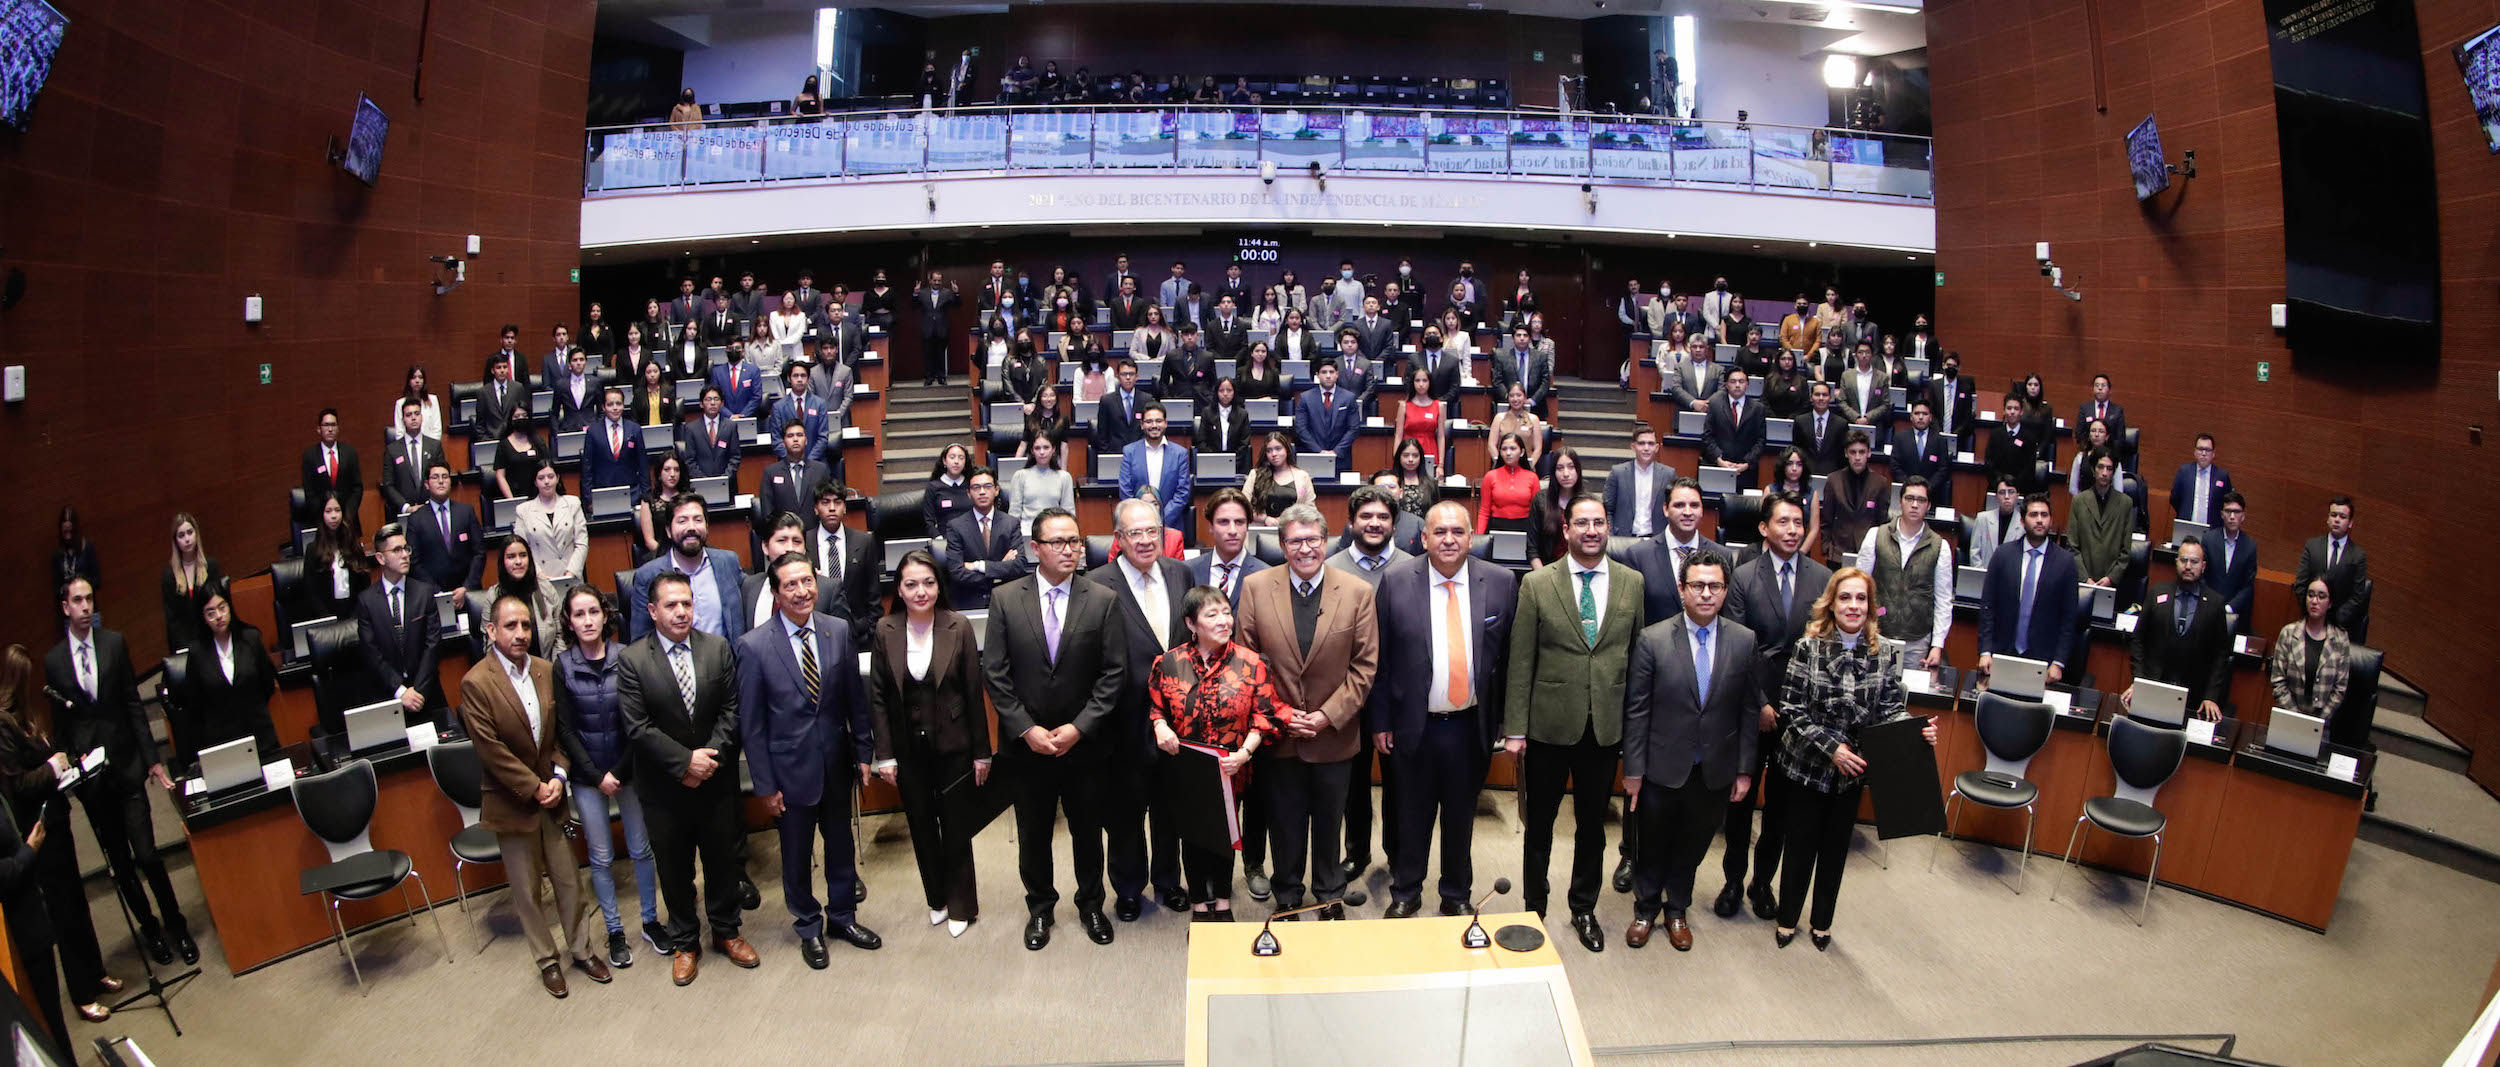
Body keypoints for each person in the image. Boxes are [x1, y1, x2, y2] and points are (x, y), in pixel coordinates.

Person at [983, 509, 1129, 951]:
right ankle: (1041, 908)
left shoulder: (1101, 598)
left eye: (1075, 542)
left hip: (1084, 747)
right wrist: (1026, 729)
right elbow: (995, 673)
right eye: (1059, 542)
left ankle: (1090, 905)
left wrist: (1079, 728)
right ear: (1036, 549)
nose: (1070, 549)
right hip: (1027, 749)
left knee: (1088, 831)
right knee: (1034, 834)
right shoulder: (1006, 599)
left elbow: (1113, 674)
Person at [1768, 568, 1932, 951]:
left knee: (1835, 850)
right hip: (1808, 768)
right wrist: (1832, 749)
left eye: (1861, 599)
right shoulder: (1808, 647)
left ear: (1870, 606)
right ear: (1831, 603)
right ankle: (1788, 918)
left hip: (1852, 775)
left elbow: (1891, 708)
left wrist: (1915, 729)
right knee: (1800, 847)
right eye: (1846, 598)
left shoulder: (1885, 651)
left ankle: (1822, 922)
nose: (1853, 606)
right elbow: (1791, 708)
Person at [1503, 495, 1640, 950]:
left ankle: (1583, 908)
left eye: (1599, 522)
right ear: (1566, 529)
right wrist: (1515, 729)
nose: (1591, 530)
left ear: (1608, 528)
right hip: (1547, 726)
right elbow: (1520, 661)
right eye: (1581, 522)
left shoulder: (1631, 583)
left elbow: (1637, 660)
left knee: (1592, 828)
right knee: (1539, 825)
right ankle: (1534, 909)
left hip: (1604, 727)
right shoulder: (1538, 584)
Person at [1369, 500, 1518, 917]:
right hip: (1413, 723)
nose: (1449, 539)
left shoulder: (1502, 582)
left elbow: (1509, 660)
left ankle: (1455, 893)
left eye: (1457, 532)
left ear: (1472, 537)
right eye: (1440, 532)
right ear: (1423, 538)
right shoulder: (1397, 581)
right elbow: (1380, 658)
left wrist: (1507, 723)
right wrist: (1380, 719)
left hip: (1471, 725)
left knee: (1460, 816)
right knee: (1411, 814)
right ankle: (1406, 891)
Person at [1231, 505, 1377, 919]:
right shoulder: (1256, 587)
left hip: (1334, 734)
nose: (1305, 549)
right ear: (1282, 545)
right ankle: (1288, 896)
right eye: (1295, 541)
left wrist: (1327, 716)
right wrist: (1281, 714)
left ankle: (1330, 893)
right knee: (1285, 822)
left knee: (1330, 824)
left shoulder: (1356, 591)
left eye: (1313, 539)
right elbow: (1246, 665)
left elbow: (1364, 668)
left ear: (1327, 542)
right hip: (1280, 735)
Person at [462, 594, 611, 997]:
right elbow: (490, 750)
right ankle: (547, 960)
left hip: (553, 797)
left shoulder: (546, 670)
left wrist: (559, 778)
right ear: (491, 631)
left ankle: (581, 949)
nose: (521, 633)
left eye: (526, 625)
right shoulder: (476, 682)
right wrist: (535, 787)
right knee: (527, 891)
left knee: (569, 881)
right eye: (510, 626)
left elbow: (559, 735)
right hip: (513, 803)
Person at [739, 550, 881, 969]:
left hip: (837, 765)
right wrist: (765, 785)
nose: (802, 591)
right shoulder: (754, 646)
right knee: (796, 856)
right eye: (791, 585)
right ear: (776, 593)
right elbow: (752, 725)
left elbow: (855, 699)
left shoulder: (837, 629)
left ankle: (842, 918)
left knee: (841, 849)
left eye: (807, 581)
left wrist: (864, 752)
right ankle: (808, 926)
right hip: (789, 773)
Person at [1618, 547, 1763, 953]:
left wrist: (1745, 770)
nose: (1706, 594)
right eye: (1697, 585)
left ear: (1725, 590)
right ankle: (1646, 909)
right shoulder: (1653, 638)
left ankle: (1676, 908)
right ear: (1682, 589)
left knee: (1693, 843)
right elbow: (1637, 709)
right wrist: (1633, 768)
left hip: (1715, 768)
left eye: (1714, 585)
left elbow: (1749, 710)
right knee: (1654, 841)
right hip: (1661, 765)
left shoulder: (1743, 640)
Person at [48, 577, 195, 965]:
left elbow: (133, 705)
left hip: (127, 767)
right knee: (122, 866)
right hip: (94, 783)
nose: (84, 607)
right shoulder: (55, 662)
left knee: (147, 855)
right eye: (77, 601)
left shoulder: (113, 643)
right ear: (65, 607)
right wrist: (71, 771)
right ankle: (151, 932)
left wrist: (151, 758)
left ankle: (177, 926)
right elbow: (61, 728)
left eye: (89, 600)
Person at [617, 571, 751, 986]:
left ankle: (727, 931)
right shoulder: (633, 659)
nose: (681, 611)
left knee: (722, 862)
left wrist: (707, 760)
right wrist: (684, 764)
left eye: (687, 603)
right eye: (671, 605)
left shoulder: (717, 648)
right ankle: (686, 942)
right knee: (675, 869)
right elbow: (638, 728)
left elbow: (732, 711)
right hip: (664, 789)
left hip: (715, 779)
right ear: (652, 611)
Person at [1718, 492, 1831, 919]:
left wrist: (1793, 708)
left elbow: (1822, 647)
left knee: (1781, 808)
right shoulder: (1744, 576)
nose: (1792, 530)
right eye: (1782, 522)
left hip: (1800, 714)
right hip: (1752, 708)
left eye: (1798, 523)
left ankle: (1762, 883)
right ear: (1764, 529)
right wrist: (1762, 703)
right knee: (1740, 803)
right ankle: (1731, 881)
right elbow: (1738, 648)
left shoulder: (1822, 578)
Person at [1145, 583, 1282, 922]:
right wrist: (1160, 727)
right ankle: (1198, 903)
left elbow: (1266, 716)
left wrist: (1245, 753)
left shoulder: (1251, 663)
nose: (1224, 621)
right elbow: (1155, 707)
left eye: (1226, 612)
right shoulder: (1169, 663)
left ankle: (1222, 900)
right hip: (1185, 767)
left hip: (1229, 767)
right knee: (1191, 834)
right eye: (1212, 615)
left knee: (1224, 834)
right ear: (1191, 624)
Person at [868, 551, 988, 937]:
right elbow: (880, 698)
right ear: (899, 590)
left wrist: (981, 752)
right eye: (911, 584)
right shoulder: (885, 629)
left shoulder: (959, 626)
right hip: (907, 751)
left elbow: (973, 693)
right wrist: (884, 753)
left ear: (939, 585)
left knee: (955, 828)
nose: (921, 591)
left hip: (954, 746)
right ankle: (936, 898)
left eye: (928, 583)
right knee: (921, 827)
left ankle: (962, 905)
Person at [0, 645, 120, 1031]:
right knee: (63, 911)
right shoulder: (2, 725)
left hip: (58, 820)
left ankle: (95, 971)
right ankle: (82, 993)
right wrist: (53, 767)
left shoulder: (26, 718)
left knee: (77, 902)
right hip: (38, 830)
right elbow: (18, 785)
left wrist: (64, 763)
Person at [1090, 500, 1196, 921]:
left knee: (1171, 809)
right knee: (1125, 812)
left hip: (1176, 721)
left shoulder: (1180, 573)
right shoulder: (1097, 584)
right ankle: (1129, 888)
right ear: (1118, 539)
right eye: (1135, 533)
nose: (1146, 540)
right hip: (1124, 721)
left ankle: (1169, 880)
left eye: (1153, 530)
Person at [552, 585, 662, 970]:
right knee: (599, 858)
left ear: (605, 616)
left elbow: (639, 721)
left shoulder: (627, 657)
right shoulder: (562, 666)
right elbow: (564, 731)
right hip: (587, 778)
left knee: (640, 849)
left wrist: (619, 770)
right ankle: (615, 930)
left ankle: (650, 920)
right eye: (578, 614)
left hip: (628, 769)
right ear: (569, 621)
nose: (587, 620)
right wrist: (598, 776)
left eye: (593, 612)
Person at [173, 580, 280, 769]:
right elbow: (195, 702)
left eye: (222, 608)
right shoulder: (197, 652)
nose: (218, 616)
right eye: (210, 612)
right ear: (204, 618)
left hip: (261, 736)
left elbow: (267, 685)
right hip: (221, 742)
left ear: (230, 607)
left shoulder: (251, 638)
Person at [1977, 494, 2081, 685]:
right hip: (2001, 654)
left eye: (2044, 515)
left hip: (2044, 661)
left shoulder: (2066, 563)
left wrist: (2058, 662)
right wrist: (1985, 651)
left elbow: (2069, 619)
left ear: (2051, 520)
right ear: (2023, 521)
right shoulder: (2003, 555)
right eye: (2034, 515)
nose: (2040, 520)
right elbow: (1988, 607)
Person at [2126, 537, 2232, 722]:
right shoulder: (2157, 593)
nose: (2188, 566)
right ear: (2176, 562)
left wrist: (2211, 696)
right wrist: (2139, 681)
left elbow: (2220, 654)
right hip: (2153, 686)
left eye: (2194, 561)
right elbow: (2138, 640)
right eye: (2184, 560)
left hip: (2195, 698)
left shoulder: (2215, 604)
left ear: (2203, 566)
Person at [1855, 477, 1952, 667]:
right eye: (1909, 498)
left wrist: (1937, 645)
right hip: (1876, 633)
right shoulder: (1876, 535)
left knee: (1907, 694)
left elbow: (1943, 600)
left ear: (1928, 505)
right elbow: (1858, 587)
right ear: (1900, 502)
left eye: (1921, 500)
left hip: (1917, 642)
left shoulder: (1940, 546)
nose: (1915, 505)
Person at [356, 522, 446, 723]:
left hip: (427, 695)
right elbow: (371, 653)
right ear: (380, 558)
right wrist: (400, 691)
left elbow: (433, 645)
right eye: (397, 550)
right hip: (389, 697)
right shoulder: (367, 601)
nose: (405, 554)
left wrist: (418, 691)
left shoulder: (424, 592)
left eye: (406, 548)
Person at [627, 494, 745, 642]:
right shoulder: (647, 575)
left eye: (698, 520)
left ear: (707, 527)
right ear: (669, 531)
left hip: (728, 662)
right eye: (682, 521)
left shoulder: (728, 563)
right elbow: (641, 640)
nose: (691, 527)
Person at [941, 466, 1028, 610]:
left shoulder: (1011, 523)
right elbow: (956, 572)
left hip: (1007, 600)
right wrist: (999, 569)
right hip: (969, 600)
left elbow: (1019, 566)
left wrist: (978, 566)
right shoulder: (956, 526)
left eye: (987, 486)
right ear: (969, 493)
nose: (982, 492)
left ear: (996, 490)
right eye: (976, 487)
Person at [2269, 578, 2352, 724]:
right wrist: (2296, 719)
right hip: (2287, 720)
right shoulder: (2288, 633)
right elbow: (2278, 681)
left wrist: (2317, 723)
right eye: (2311, 595)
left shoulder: (2340, 639)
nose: (2314, 601)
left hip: (2321, 725)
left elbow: (2340, 689)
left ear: (2330, 603)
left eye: (2321, 596)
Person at [407, 460, 486, 610]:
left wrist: (466, 587)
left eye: (445, 476)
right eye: (435, 477)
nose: (441, 481)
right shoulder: (416, 519)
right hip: (433, 597)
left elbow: (479, 553)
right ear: (426, 484)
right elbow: (414, 562)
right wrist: (438, 593)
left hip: (468, 594)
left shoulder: (466, 512)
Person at [478, 534, 564, 657]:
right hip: (508, 673)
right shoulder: (493, 596)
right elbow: (490, 646)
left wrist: (555, 670)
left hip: (546, 669)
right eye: (511, 557)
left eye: (523, 555)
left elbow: (560, 635)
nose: (518, 561)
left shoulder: (546, 589)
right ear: (503, 562)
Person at [2294, 496, 2370, 635]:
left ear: (2350, 522)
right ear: (2328, 518)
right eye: (2333, 515)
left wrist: (2334, 620)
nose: (2337, 520)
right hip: (2310, 620)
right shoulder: (2312, 546)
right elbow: (2300, 584)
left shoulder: (2358, 555)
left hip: (2339, 626)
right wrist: (2313, 612)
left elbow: (2357, 596)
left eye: (2342, 516)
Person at [1817, 431, 1891, 570]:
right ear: (1846, 453)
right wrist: (1826, 547)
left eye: (1862, 452)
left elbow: (1882, 523)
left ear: (1869, 453)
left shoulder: (1880, 483)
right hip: (1838, 553)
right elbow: (1827, 520)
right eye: (1853, 452)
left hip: (1868, 554)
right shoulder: (1834, 480)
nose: (1857, 457)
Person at [1119, 403, 1193, 532]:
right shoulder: (1129, 452)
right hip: (1137, 525)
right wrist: (1142, 518)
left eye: (1158, 421)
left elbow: (1182, 493)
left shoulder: (1180, 454)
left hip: (1170, 526)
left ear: (1166, 423)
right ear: (1142, 425)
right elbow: (1126, 490)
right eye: (1149, 421)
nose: (1154, 425)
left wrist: (1161, 518)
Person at [2069, 448, 2137, 589]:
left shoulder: (2125, 503)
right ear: (2093, 470)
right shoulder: (2079, 501)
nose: (2104, 473)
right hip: (2082, 580)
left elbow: (2126, 551)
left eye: (2109, 468)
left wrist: (2111, 578)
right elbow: (2072, 546)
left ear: (2113, 472)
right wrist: (2085, 578)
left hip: (2110, 582)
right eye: (2100, 467)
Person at [1188, 489, 1269, 606]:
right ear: (1211, 526)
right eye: (1224, 522)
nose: (1232, 531)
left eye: (1239, 522)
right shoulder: (1188, 571)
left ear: (1247, 526)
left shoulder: (1265, 576)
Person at [512, 459, 589, 582]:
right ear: (535, 482)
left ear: (557, 478)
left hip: (571, 575)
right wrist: (540, 575)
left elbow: (581, 543)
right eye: (541, 478)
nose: (546, 482)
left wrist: (571, 572)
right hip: (539, 579)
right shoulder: (523, 510)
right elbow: (522, 550)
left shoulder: (573, 503)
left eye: (550, 476)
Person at [303, 492, 371, 627]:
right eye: (328, 511)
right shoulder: (313, 550)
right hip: (326, 619)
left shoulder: (354, 545)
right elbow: (311, 591)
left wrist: (356, 615)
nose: (333, 516)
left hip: (355, 616)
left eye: (337, 510)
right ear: (322, 515)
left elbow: (364, 585)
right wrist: (327, 619)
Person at [160, 513, 223, 657]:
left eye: (190, 532)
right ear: (175, 541)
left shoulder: (210, 567)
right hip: (185, 646)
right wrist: (184, 649)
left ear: (196, 534)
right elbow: (173, 621)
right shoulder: (169, 577)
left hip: (211, 639)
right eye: (181, 535)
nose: (187, 539)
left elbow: (218, 605)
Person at [1605, 427, 1678, 540]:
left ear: (1657, 447)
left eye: (1650, 444)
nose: (1646, 448)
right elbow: (1607, 509)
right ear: (1633, 447)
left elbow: (1675, 508)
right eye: (1641, 443)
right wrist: (1612, 537)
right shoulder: (1618, 473)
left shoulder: (1669, 474)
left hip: (1656, 540)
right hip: (1623, 539)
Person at [1701, 367, 1765, 491]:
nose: (1737, 385)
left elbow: (1761, 441)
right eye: (1733, 381)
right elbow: (1707, 436)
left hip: (1746, 471)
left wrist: (1746, 463)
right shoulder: (1715, 404)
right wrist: (1720, 460)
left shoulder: (1758, 408)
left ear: (1747, 384)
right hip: (1719, 467)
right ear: (1726, 385)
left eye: (1741, 381)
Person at [379, 399, 447, 516]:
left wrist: (430, 504)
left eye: (417, 413)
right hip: (404, 512)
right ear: (403, 420)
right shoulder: (392, 450)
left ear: (422, 417)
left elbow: (441, 478)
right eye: (408, 415)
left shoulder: (434, 446)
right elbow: (388, 485)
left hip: (432, 511)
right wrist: (406, 507)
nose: (413, 418)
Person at [583, 389, 650, 502]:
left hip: (632, 493)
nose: (615, 408)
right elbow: (587, 469)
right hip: (603, 494)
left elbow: (642, 465)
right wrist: (589, 499)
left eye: (618, 403)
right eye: (610, 404)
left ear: (623, 405)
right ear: (603, 407)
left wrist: (646, 495)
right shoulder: (593, 432)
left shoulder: (635, 429)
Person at [2205, 492, 2260, 629]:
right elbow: (2202, 577)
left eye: (2236, 512)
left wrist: (2229, 608)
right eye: (2228, 511)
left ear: (2243, 516)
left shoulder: (2250, 546)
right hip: (2207, 608)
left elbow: (2248, 586)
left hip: (2235, 613)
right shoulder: (2208, 540)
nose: (2232, 517)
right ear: (2221, 514)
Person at [1889, 398, 1954, 512]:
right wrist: (1909, 487)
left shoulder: (1940, 440)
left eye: (1924, 413)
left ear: (1930, 417)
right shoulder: (1900, 438)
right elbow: (1895, 466)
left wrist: (1927, 488)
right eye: (1917, 413)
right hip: (1906, 495)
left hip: (1931, 497)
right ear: (1911, 416)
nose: (1920, 417)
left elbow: (1943, 469)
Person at [1292, 360, 1359, 465]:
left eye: (1331, 372)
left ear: (1337, 374)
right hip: (1313, 455)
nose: (1328, 376)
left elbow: (1353, 428)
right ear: (1317, 375)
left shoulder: (1349, 398)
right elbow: (1301, 429)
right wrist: (1319, 451)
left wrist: (1336, 451)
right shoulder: (1305, 398)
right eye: (1324, 372)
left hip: (1341, 457)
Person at [1528, 448, 1585, 566]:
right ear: (1553, 472)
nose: (1566, 473)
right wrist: (1543, 577)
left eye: (1571, 467)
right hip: (1547, 570)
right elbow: (1532, 550)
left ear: (1578, 470)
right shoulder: (1540, 500)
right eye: (1560, 468)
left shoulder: (1587, 503)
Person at [633, 454, 692, 566]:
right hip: (659, 555)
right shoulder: (648, 500)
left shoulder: (689, 497)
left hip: (687, 551)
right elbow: (649, 541)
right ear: (659, 474)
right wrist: (670, 556)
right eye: (667, 470)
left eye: (676, 470)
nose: (672, 474)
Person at [1476, 432, 1538, 536]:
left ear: (1522, 452)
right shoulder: (1490, 476)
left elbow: (1536, 513)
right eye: (1504, 449)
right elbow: (1484, 512)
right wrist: (1478, 537)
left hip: (1524, 528)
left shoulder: (1532, 478)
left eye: (1513, 449)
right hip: (1496, 527)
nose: (1508, 453)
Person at [1985, 393, 2048, 494]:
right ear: (2004, 411)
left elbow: (2030, 468)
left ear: (2021, 412)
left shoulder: (2029, 438)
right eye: (2009, 408)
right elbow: (1989, 463)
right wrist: (2000, 481)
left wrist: (2015, 483)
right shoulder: (1995, 434)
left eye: (2016, 408)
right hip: (1996, 488)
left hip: (2021, 490)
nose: (2012, 412)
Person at [1248, 432, 1315, 525]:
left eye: (1278, 449)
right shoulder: (1255, 475)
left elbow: (1311, 510)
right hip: (1263, 529)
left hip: (1293, 529)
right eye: (1269, 450)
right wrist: (1264, 519)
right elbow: (1243, 507)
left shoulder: (1302, 476)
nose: (1274, 454)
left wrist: (1293, 519)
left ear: (1286, 450)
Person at [2170, 435, 2236, 529]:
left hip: (2213, 529)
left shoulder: (2222, 476)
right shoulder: (2184, 471)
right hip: (2187, 526)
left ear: (2213, 454)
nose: (2204, 453)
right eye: (2200, 449)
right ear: (2195, 452)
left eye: (2208, 450)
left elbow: (2227, 503)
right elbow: (2174, 498)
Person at [1096, 360, 1154, 459]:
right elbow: (1102, 434)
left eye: (1131, 374)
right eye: (1124, 374)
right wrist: (1108, 455)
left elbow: (1149, 429)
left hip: (1141, 455)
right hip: (1115, 454)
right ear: (1118, 376)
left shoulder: (1147, 400)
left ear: (1137, 377)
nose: (1128, 378)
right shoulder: (1107, 401)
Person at [1491, 324, 1552, 417]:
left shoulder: (1540, 357)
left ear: (1530, 338)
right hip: (1509, 407)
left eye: (1525, 335)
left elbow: (1545, 382)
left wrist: (1532, 400)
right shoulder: (1501, 356)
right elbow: (1497, 381)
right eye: (1518, 335)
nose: (1522, 338)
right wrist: (1512, 398)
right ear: (1513, 338)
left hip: (1535, 407)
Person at [1966, 473, 2024, 569]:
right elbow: (1974, 553)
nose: (2006, 496)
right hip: (1984, 576)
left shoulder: (2023, 524)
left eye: (2011, 492)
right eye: (2002, 492)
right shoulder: (1982, 519)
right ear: (1996, 496)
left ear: (2017, 495)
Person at [914, 272, 961, 386]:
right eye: (934, 280)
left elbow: (957, 305)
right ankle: (929, 377)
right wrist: (915, 294)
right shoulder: (922, 292)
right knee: (928, 354)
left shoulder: (947, 293)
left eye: (939, 280)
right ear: (930, 281)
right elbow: (914, 306)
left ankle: (941, 377)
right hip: (927, 327)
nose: (937, 283)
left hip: (942, 328)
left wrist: (956, 293)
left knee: (941, 353)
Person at [489, 412, 548, 502]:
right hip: (515, 495)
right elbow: (500, 476)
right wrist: (512, 500)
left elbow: (547, 468)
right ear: (510, 420)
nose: (521, 419)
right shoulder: (503, 445)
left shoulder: (538, 442)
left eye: (524, 415)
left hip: (538, 497)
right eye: (517, 416)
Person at [1488, 381, 1547, 469]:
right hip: (1502, 468)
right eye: (1512, 396)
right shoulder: (1499, 418)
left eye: (1519, 395)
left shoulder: (1533, 419)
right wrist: (1500, 464)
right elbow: (1491, 445)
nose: (1515, 399)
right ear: (1508, 398)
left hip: (1526, 468)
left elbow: (1538, 449)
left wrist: (1529, 467)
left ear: (1525, 397)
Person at [1792, 381, 1846, 476]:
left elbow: (1842, 456)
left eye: (1824, 395)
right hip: (1806, 474)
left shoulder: (1841, 424)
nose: (1821, 398)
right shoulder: (1800, 421)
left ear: (1830, 398)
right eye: (1817, 394)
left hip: (1832, 475)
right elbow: (1797, 451)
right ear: (1811, 398)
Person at [1392, 373, 1446, 468]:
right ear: (1413, 383)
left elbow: (1441, 437)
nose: (1421, 384)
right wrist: (1396, 460)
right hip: (1408, 449)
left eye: (1424, 380)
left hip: (1430, 448)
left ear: (1430, 383)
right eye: (1417, 380)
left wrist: (1441, 465)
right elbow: (1398, 436)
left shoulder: (1439, 406)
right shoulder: (1404, 405)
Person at [387, 364, 445, 444]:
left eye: (420, 377)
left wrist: (431, 448)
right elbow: (400, 433)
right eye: (414, 377)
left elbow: (437, 430)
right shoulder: (400, 404)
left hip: (430, 447)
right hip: (409, 447)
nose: (417, 381)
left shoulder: (432, 400)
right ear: (409, 381)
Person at [1389, 438, 1438, 518]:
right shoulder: (1391, 481)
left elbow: (1435, 513)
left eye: (1415, 456)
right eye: (1406, 455)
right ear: (1399, 457)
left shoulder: (1431, 483)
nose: (1410, 459)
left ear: (1421, 458)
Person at [1763, 349, 1809, 420]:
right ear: (1778, 361)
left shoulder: (1802, 381)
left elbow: (1805, 404)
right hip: (1772, 419)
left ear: (1794, 361)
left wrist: (1793, 417)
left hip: (1795, 420)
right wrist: (1773, 417)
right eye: (1783, 359)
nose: (1787, 362)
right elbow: (1764, 400)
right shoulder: (1770, 379)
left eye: (1790, 359)